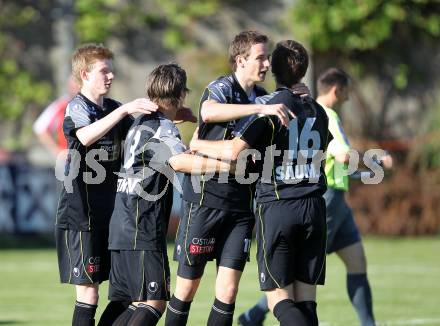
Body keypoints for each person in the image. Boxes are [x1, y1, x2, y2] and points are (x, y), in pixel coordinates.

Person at [237, 68, 392, 326]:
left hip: (336, 201)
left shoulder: (314, 110)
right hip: (321, 199)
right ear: (336, 89)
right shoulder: (324, 114)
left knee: (357, 262)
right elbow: (343, 156)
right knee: (296, 278)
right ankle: (255, 314)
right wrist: (377, 162)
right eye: (347, 92)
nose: (349, 98)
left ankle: (369, 324)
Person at [191, 40, 330, 326]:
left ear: (274, 69)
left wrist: (197, 143)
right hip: (315, 208)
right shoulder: (318, 110)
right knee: (306, 300)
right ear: (304, 71)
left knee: (277, 299)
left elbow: (233, 151)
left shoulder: (269, 107)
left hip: (279, 206)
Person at [165, 30, 292, 326]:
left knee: (229, 290)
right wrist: (260, 108)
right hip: (205, 200)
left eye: (267, 57)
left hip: (241, 207)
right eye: (260, 57)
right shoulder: (223, 87)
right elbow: (208, 112)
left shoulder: (264, 97)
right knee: (186, 288)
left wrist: (295, 94)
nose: (266, 63)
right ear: (240, 60)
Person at [107, 63, 235, 326]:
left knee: (131, 302)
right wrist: (228, 165)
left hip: (121, 223)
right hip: (141, 226)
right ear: (181, 94)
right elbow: (179, 162)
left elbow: (163, 154)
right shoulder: (162, 126)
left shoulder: (141, 121)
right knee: (154, 302)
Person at [54, 43, 158, 326]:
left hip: (112, 216)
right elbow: (85, 136)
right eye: (104, 71)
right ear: (85, 74)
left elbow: (140, 137)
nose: (110, 76)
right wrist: (124, 111)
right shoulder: (77, 107)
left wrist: (168, 116)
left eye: (112, 71)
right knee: (89, 294)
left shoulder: (112, 108)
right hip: (80, 217)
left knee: (125, 291)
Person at [33, 75, 79, 157]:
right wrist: (57, 151)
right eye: (73, 86)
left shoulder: (97, 105)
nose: (76, 89)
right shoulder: (61, 106)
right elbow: (40, 128)